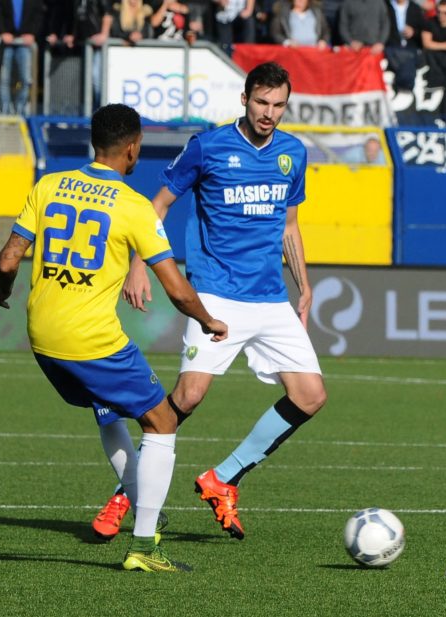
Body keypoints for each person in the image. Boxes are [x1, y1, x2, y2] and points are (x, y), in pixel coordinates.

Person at [92, 62, 328, 542]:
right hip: (216, 296)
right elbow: (157, 205)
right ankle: (126, 492)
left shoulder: (292, 153)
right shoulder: (209, 146)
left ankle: (223, 479)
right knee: (188, 397)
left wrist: (303, 286)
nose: (270, 113)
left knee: (311, 395)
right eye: (262, 102)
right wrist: (139, 262)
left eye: (279, 105)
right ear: (244, 99)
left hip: (270, 298)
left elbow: (289, 225)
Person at [0, 103, 227, 572]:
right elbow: (176, 290)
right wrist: (209, 320)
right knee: (162, 421)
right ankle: (144, 546)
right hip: (91, 340)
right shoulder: (134, 206)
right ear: (133, 149)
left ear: (93, 143)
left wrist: (3, 289)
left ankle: (141, 516)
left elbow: (8, 260)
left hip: (42, 336)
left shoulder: (49, 184)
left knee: (109, 412)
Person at [0, 0, 43, 114]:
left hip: (25, 43)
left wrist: (32, 33)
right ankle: (5, 114)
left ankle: (19, 113)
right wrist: (2, 32)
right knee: (3, 81)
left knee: (26, 79)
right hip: (5, 44)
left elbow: (38, 13)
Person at [421, 0, 446, 120]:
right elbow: (427, 44)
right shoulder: (429, 23)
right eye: (439, 12)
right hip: (432, 57)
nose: (441, 15)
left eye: (445, 13)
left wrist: (440, 45)